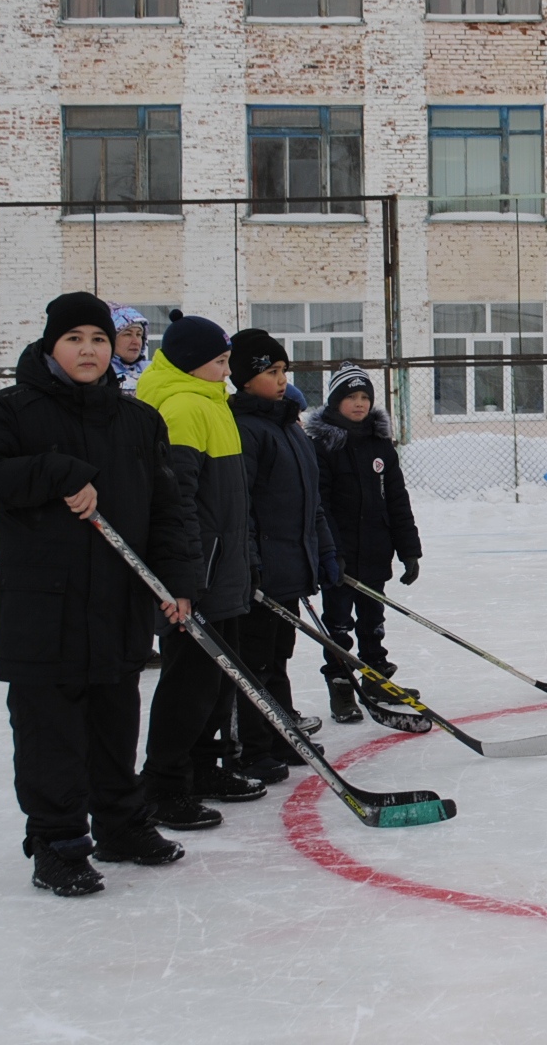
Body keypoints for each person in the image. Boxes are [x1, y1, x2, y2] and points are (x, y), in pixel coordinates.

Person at [0, 292, 193, 897]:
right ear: (50, 347)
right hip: (44, 605)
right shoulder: (10, 411)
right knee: (50, 732)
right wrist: (59, 472)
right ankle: (58, 844)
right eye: (74, 340)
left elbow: (167, 509)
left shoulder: (138, 419)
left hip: (118, 601)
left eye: (97, 339)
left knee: (116, 721)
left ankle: (121, 826)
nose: (88, 350)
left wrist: (177, 584)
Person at [135, 311, 262, 828]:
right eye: (220, 362)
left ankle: (202, 768)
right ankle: (164, 785)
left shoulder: (211, 403)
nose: (227, 372)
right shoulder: (183, 407)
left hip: (223, 572)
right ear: (190, 364)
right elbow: (176, 499)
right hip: (199, 577)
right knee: (189, 685)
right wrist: (185, 577)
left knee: (216, 683)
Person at [228, 328, 337, 782]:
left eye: (283, 371)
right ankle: (254, 747)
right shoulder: (246, 429)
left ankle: (279, 732)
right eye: (270, 371)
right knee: (255, 660)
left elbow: (312, 502)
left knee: (280, 655)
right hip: (262, 570)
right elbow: (245, 508)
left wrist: (325, 551)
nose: (279, 379)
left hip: (291, 566)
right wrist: (251, 564)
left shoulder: (290, 428)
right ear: (244, 378)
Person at [306, 364, 423, 724]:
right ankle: (341, 685)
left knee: (372, 619)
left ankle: (376, 678)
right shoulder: (321, 445)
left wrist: (409, 549)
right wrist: (330, 552)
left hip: (374, 548)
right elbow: (318, 505)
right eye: (350, 397)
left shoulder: (379, 445)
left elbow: (397, 499)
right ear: (335, 400)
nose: (358, 404)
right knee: (338, 623)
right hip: (338, 554)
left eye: (364, 397)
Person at [108, 303, 152, 396]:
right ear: (111, 338)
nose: (136, 341)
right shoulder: (101, 374)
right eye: (128, 334)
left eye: (139, 334)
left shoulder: (152, 370)